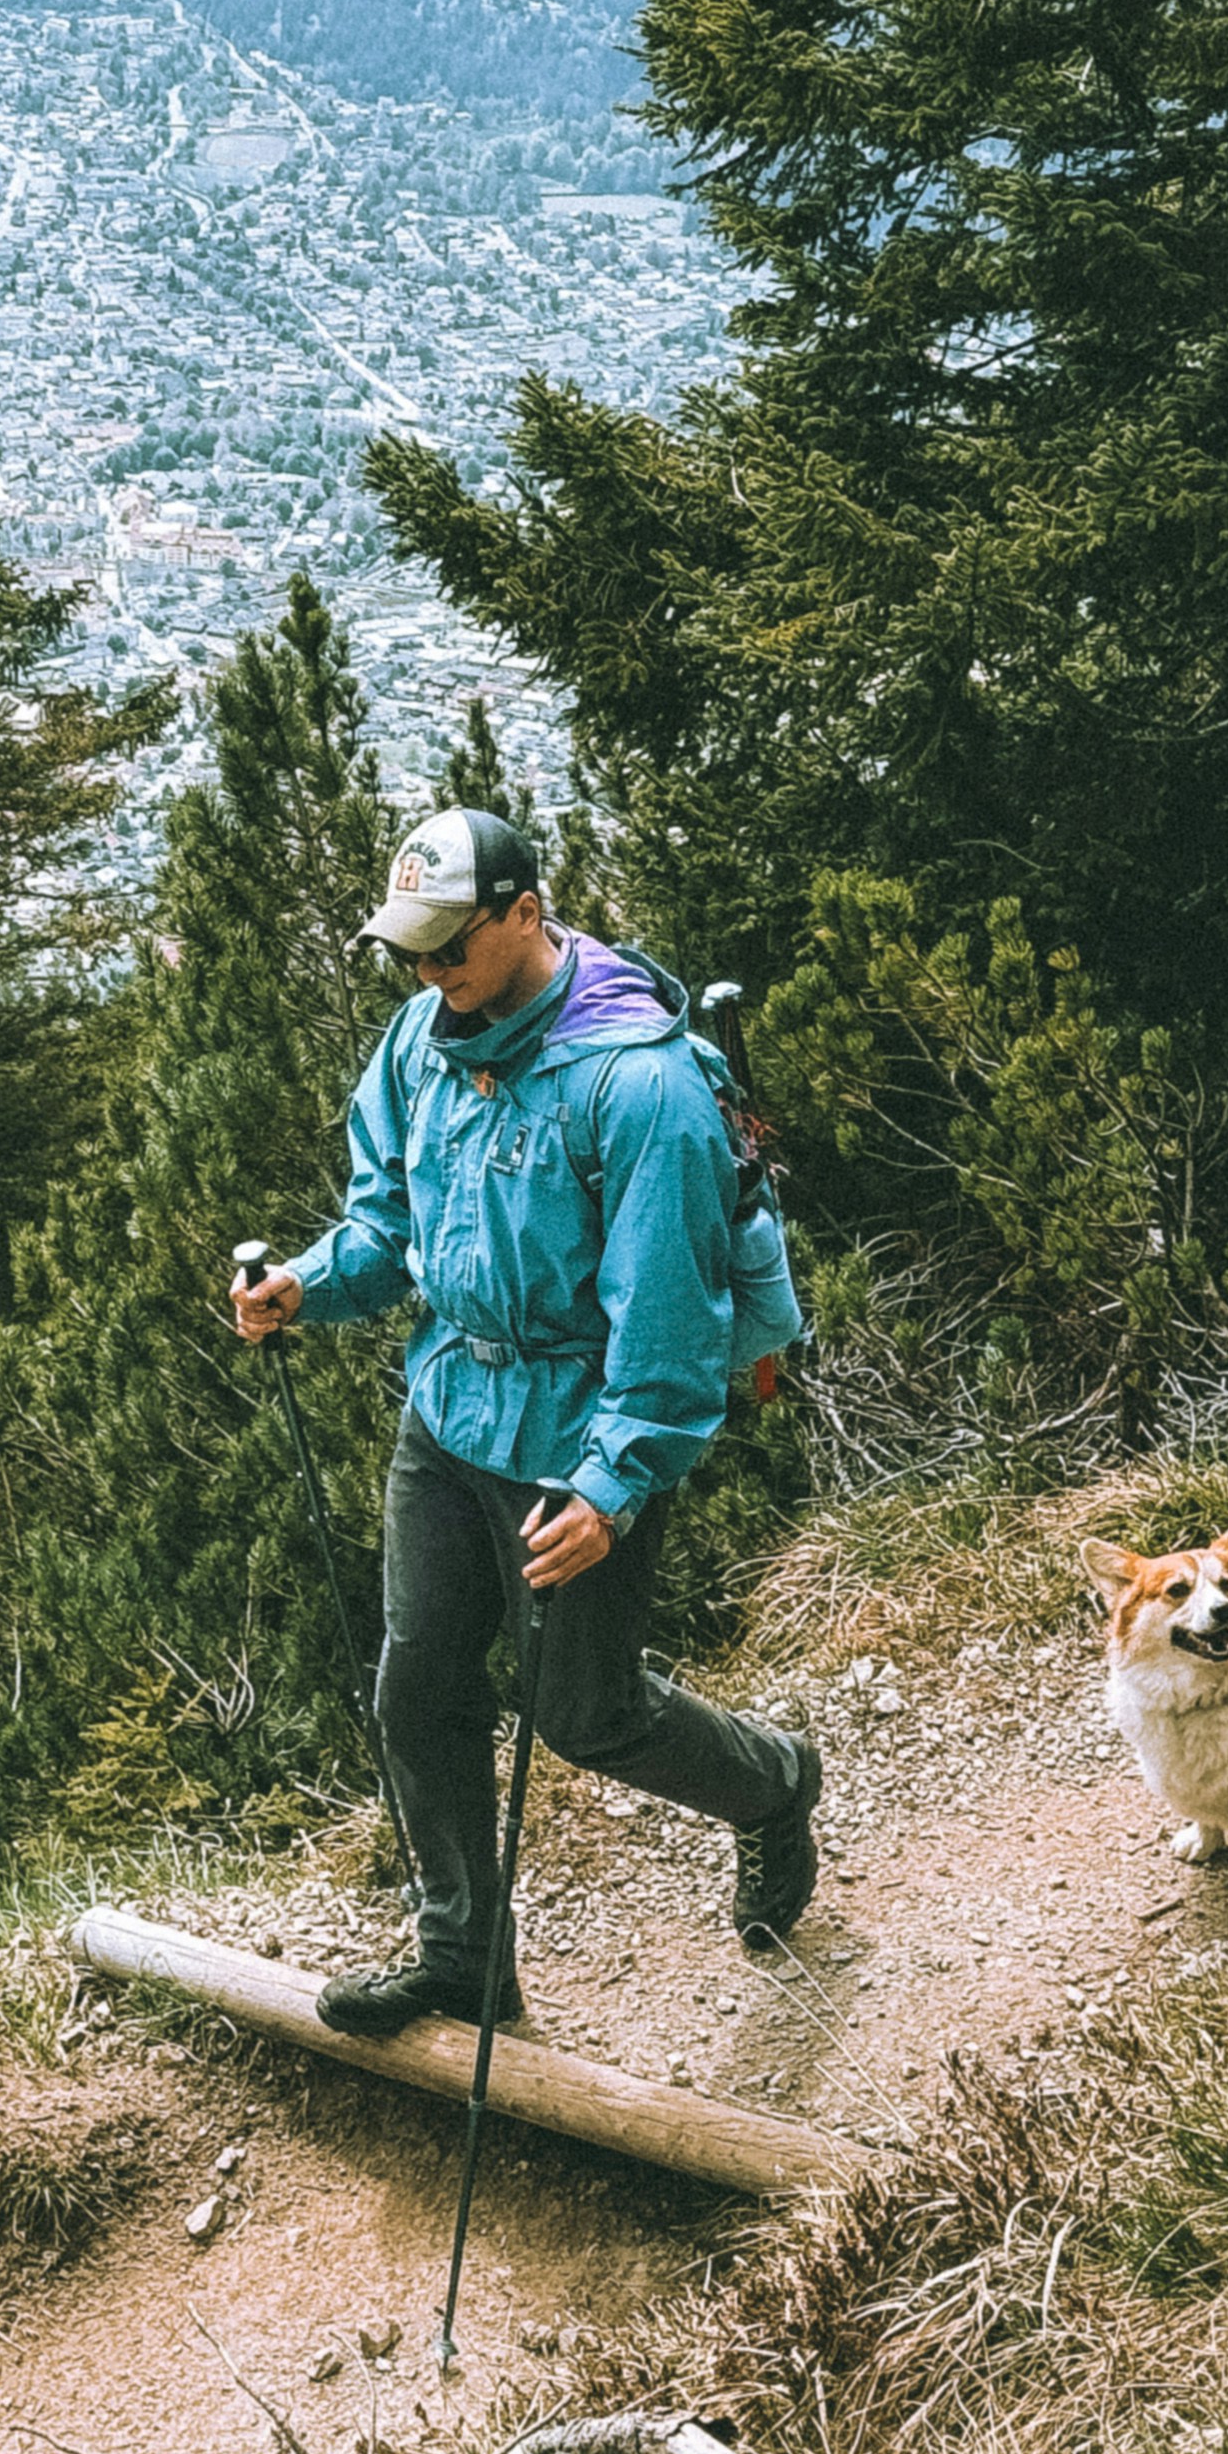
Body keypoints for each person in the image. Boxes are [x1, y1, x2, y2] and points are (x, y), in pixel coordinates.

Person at [232, 803, 820, 2035]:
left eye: (453, 946)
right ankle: (465, 1967)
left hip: (579, 1437)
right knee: (416, 1691)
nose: (430, 974)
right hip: (446, 1415)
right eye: (412, 950)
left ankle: (775, 1786)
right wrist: (310, 1281)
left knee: (587, 1717)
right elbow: (389, 1224)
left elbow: (667, 1327)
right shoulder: (416, 1043)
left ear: (524, 914)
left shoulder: (640, 1085)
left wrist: (612, 1487)